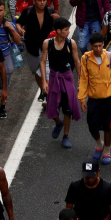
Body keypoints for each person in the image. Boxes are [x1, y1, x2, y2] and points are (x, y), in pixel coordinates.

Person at [78, 32, 111, 167]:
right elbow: (83, 79)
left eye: (100, 46)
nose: (98, 49)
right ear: (91, 46)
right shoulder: (86, 59)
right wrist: (82, 99)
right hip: (93, 98)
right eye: (95, 47)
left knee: (107, 126)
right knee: (92, 124)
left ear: (103, 44)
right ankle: (99, 144)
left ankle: (107, 151)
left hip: (108, 98)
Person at [40, 17, 80, 148]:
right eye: (66, 30)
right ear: (58, 31)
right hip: (53, 76)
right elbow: (43, 61)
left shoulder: (71, 43)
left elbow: (76, 61)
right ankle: (58, 122)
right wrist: (44, 82)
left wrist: (80, 78)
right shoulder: (48, 43)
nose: (68, 32)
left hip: (67, 77)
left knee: (68, 108)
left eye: (68, 29)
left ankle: (66, 136)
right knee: (51, 106)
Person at [15, 0, 56, 101]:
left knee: (46, 71)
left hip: (46, 46)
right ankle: (43, 89)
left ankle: (48, 95)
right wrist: (19, 29)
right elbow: (19, 22)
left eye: (44, 0)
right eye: (39, 1)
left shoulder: (50, 11)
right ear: (34, 1)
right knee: (36, 71)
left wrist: (57, 20)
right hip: (32, 46)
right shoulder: (28, 12)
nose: (42, 3)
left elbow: (57, 27)